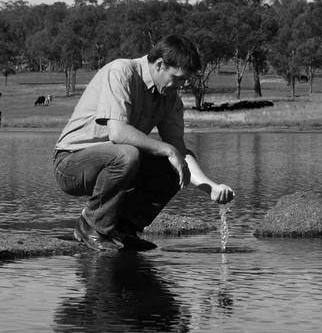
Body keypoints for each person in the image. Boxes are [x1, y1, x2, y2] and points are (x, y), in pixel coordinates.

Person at [53, 34, 234, 251]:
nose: (181, 85)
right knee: (129, 154)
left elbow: (179, 153)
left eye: (184, 80)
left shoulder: (170, 98)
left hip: (117, 163)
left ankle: (123, 228)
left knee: (171, 166)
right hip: (70, 164)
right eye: (177, 78)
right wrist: (168, 150)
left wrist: (211, 187)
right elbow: (118, 133)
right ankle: (90, 225)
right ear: (159, 65)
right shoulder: (120, 72)